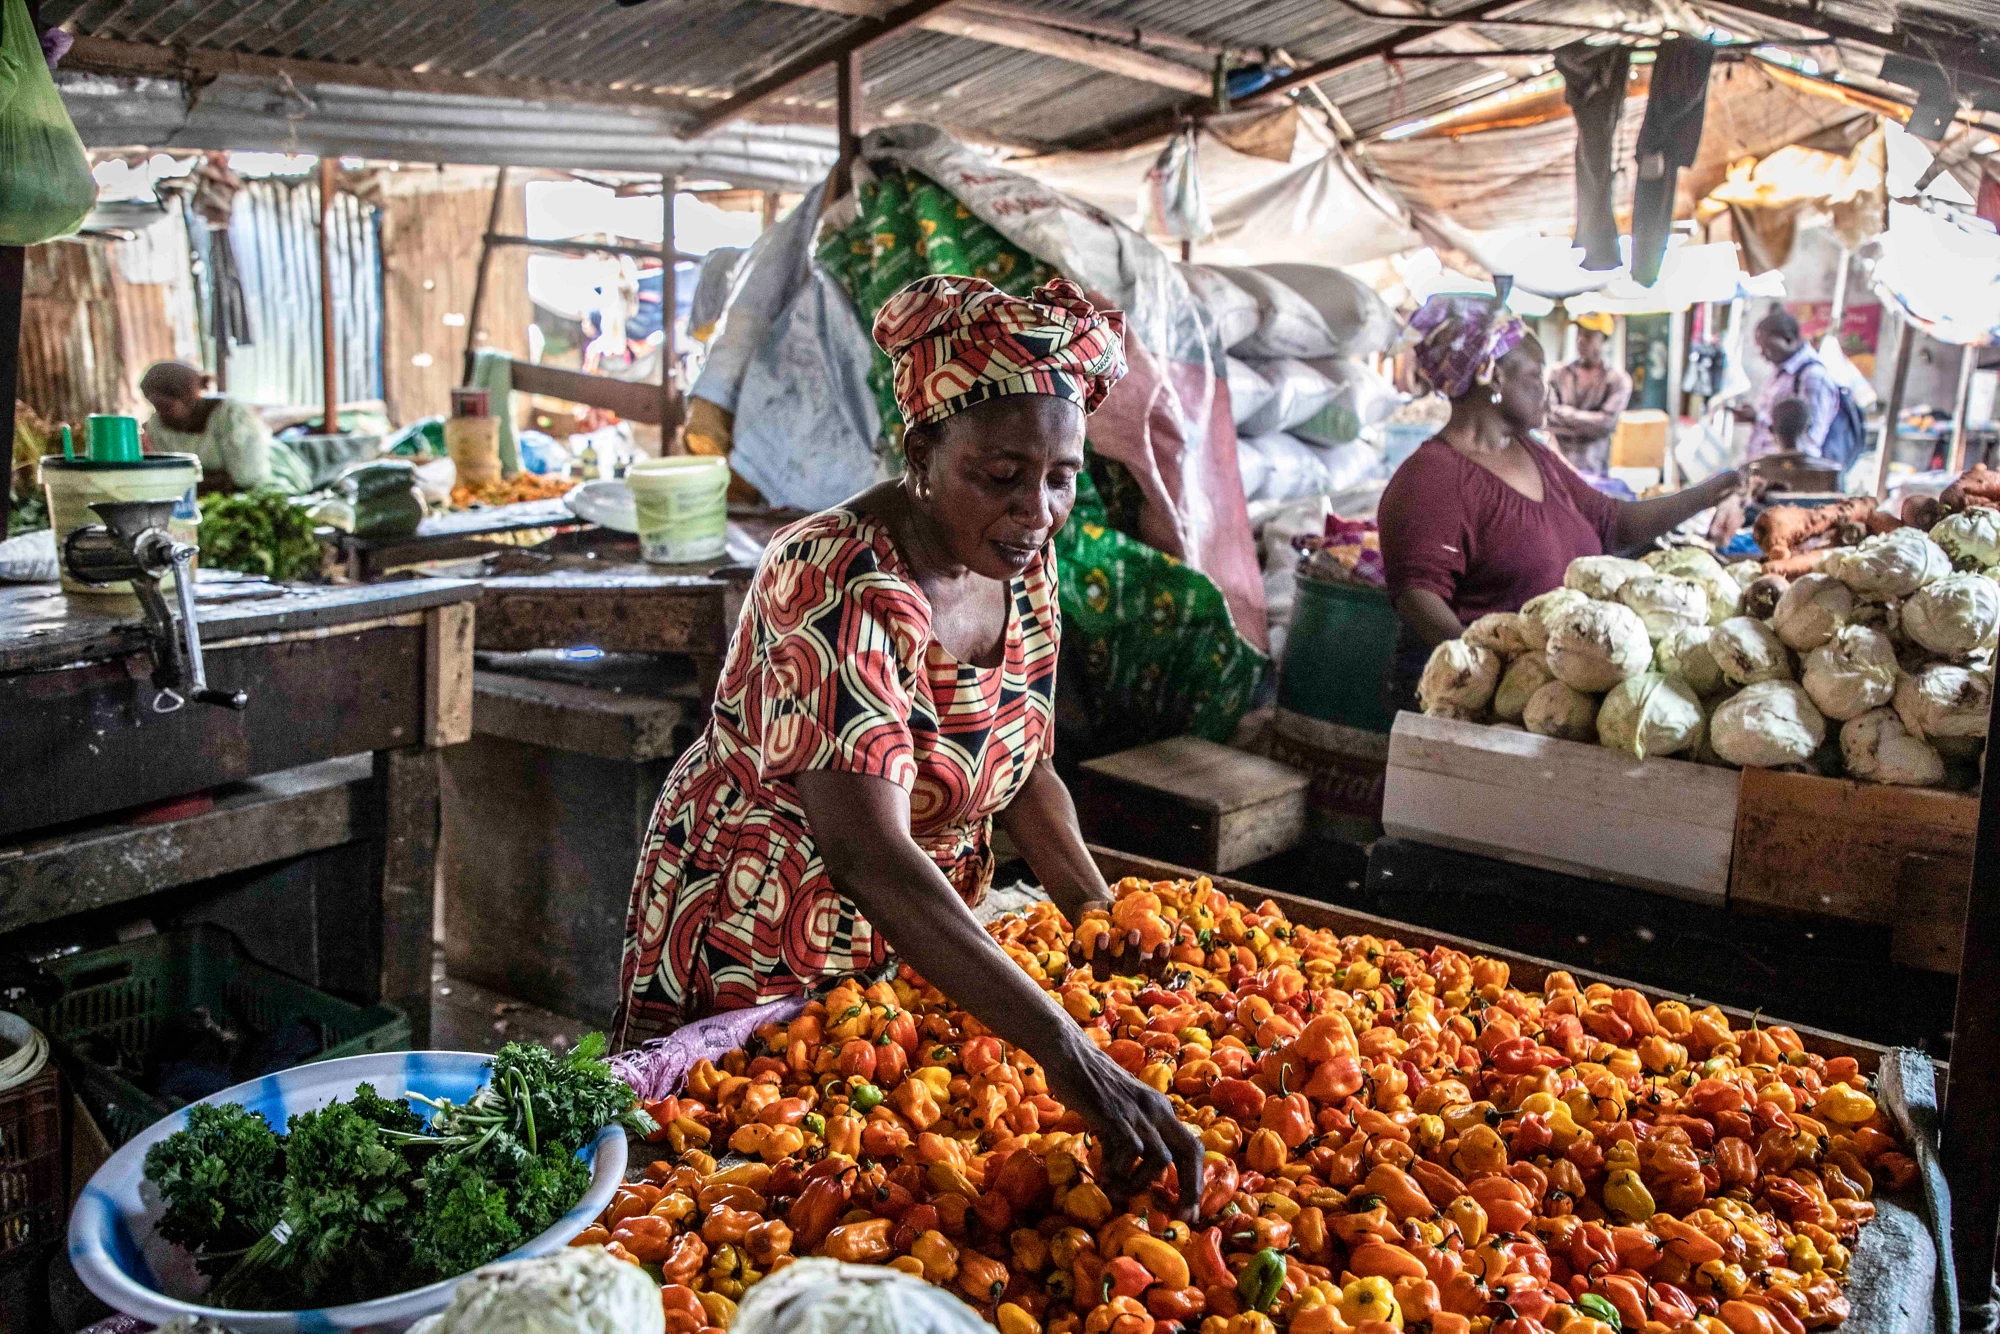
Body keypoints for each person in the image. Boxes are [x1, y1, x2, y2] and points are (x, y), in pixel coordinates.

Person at [616, 275, 1201, 1216]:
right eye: (1001, 476)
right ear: (922, 449)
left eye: (1061, 477)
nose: (1037, 510)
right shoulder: (838, 579)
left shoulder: (1021, 557)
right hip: (769, 916)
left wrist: (1098, 914)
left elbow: (1024, 763)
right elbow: (865, 851)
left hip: (922, 930)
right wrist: (1064, 1049)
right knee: (733, 1169)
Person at [1378, 296, 1750, 688]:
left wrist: (1715, 489)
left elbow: (1612, 522)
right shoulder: (1431, 478)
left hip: (1562, 681)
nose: (1547, 391)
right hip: (1504, 700)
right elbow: (1418, 596)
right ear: (1494, 377)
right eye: (1535, 376)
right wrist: (1484, 673)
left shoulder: (1531, 452)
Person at [139, 361, 312, 494]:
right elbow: (170, 475)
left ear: (187, 398)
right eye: (154, 405)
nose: (159, 412)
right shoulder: (158, 425)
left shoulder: (231, 416)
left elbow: (247, 477)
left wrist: (194, 481)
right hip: (208, 494)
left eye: (165, 406)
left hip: (263, 485)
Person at [1734, 310, 1839, 460]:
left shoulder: (1813, 376)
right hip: (1766, 472)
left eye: (1767, 347)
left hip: (1788, 475)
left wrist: (1758, 419)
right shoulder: (1780, 372)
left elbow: (1809, 438)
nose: (1762, 353)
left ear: (1789, 340)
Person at [1545, 312, 1632, 473]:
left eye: (1589, 335)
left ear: (1604, 339)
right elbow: (1547, 416)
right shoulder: (1557, 374)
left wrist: (1563, 415)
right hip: (1555, 470)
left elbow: (1606, 424)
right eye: (1579, 334)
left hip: (1594, 472)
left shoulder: (1617, 380)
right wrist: (1588, 422)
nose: (1581, 340)